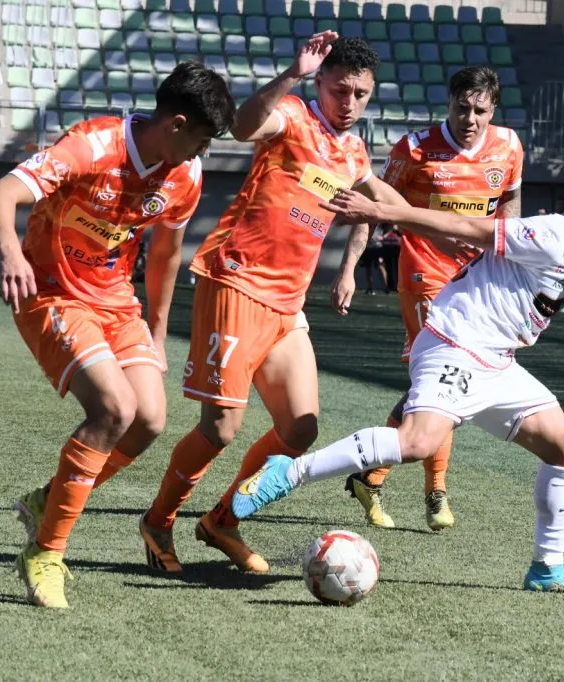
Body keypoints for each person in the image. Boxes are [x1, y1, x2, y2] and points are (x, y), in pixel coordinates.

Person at [231, 180, 564, 596]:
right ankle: (288, 472)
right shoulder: (553, 235)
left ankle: (548, 569)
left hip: (497, 362)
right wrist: (379, 211)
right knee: (416, 442)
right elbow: (464, 227)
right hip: (456, 344)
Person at [140, 35, 409, 576]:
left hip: (288, 304)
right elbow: (242, 128)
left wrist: (454, 233)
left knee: (300, 428)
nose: (349, 102)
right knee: (220, 428)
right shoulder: (291, 116)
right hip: (237, 282)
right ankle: (158, 521)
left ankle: (222, 520)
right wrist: (291, 74)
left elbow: (382, 200)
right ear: (320, 82)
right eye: (340, 89)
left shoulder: (354, 151)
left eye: (360, 94)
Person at [0, 61, 235, 608]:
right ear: (176, 123)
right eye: (202, 139)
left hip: (117, 303)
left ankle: (49, 500)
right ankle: (44, 552)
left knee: (149, 420)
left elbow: (165, 254)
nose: (204, 152)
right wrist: (10, 255)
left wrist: (158, 329)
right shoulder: (92, 146)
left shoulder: (185, 177)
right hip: (52, 293)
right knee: (114, 409)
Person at [334, 65, 524, 531]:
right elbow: (374, 206)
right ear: (449, 103)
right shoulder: (415, 149)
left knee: (448, 385)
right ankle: (435, 491)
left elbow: (509, 205)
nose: (470, 119)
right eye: (462, 107)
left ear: (493, 110)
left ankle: (370, 476)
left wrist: (512, 265)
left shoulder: (509, 146)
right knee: (447, 380)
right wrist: (349, 268)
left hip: (479, 281)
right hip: (426, 276)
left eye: (480, 110)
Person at [358, 225, 387, 295]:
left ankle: (386, 288)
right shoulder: (365, 221)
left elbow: (392, 226)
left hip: (377, 247)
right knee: (368, 267)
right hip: (367, 247)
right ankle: (370, 288)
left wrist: (384, 236)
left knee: (380, 266)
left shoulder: (381, 221)